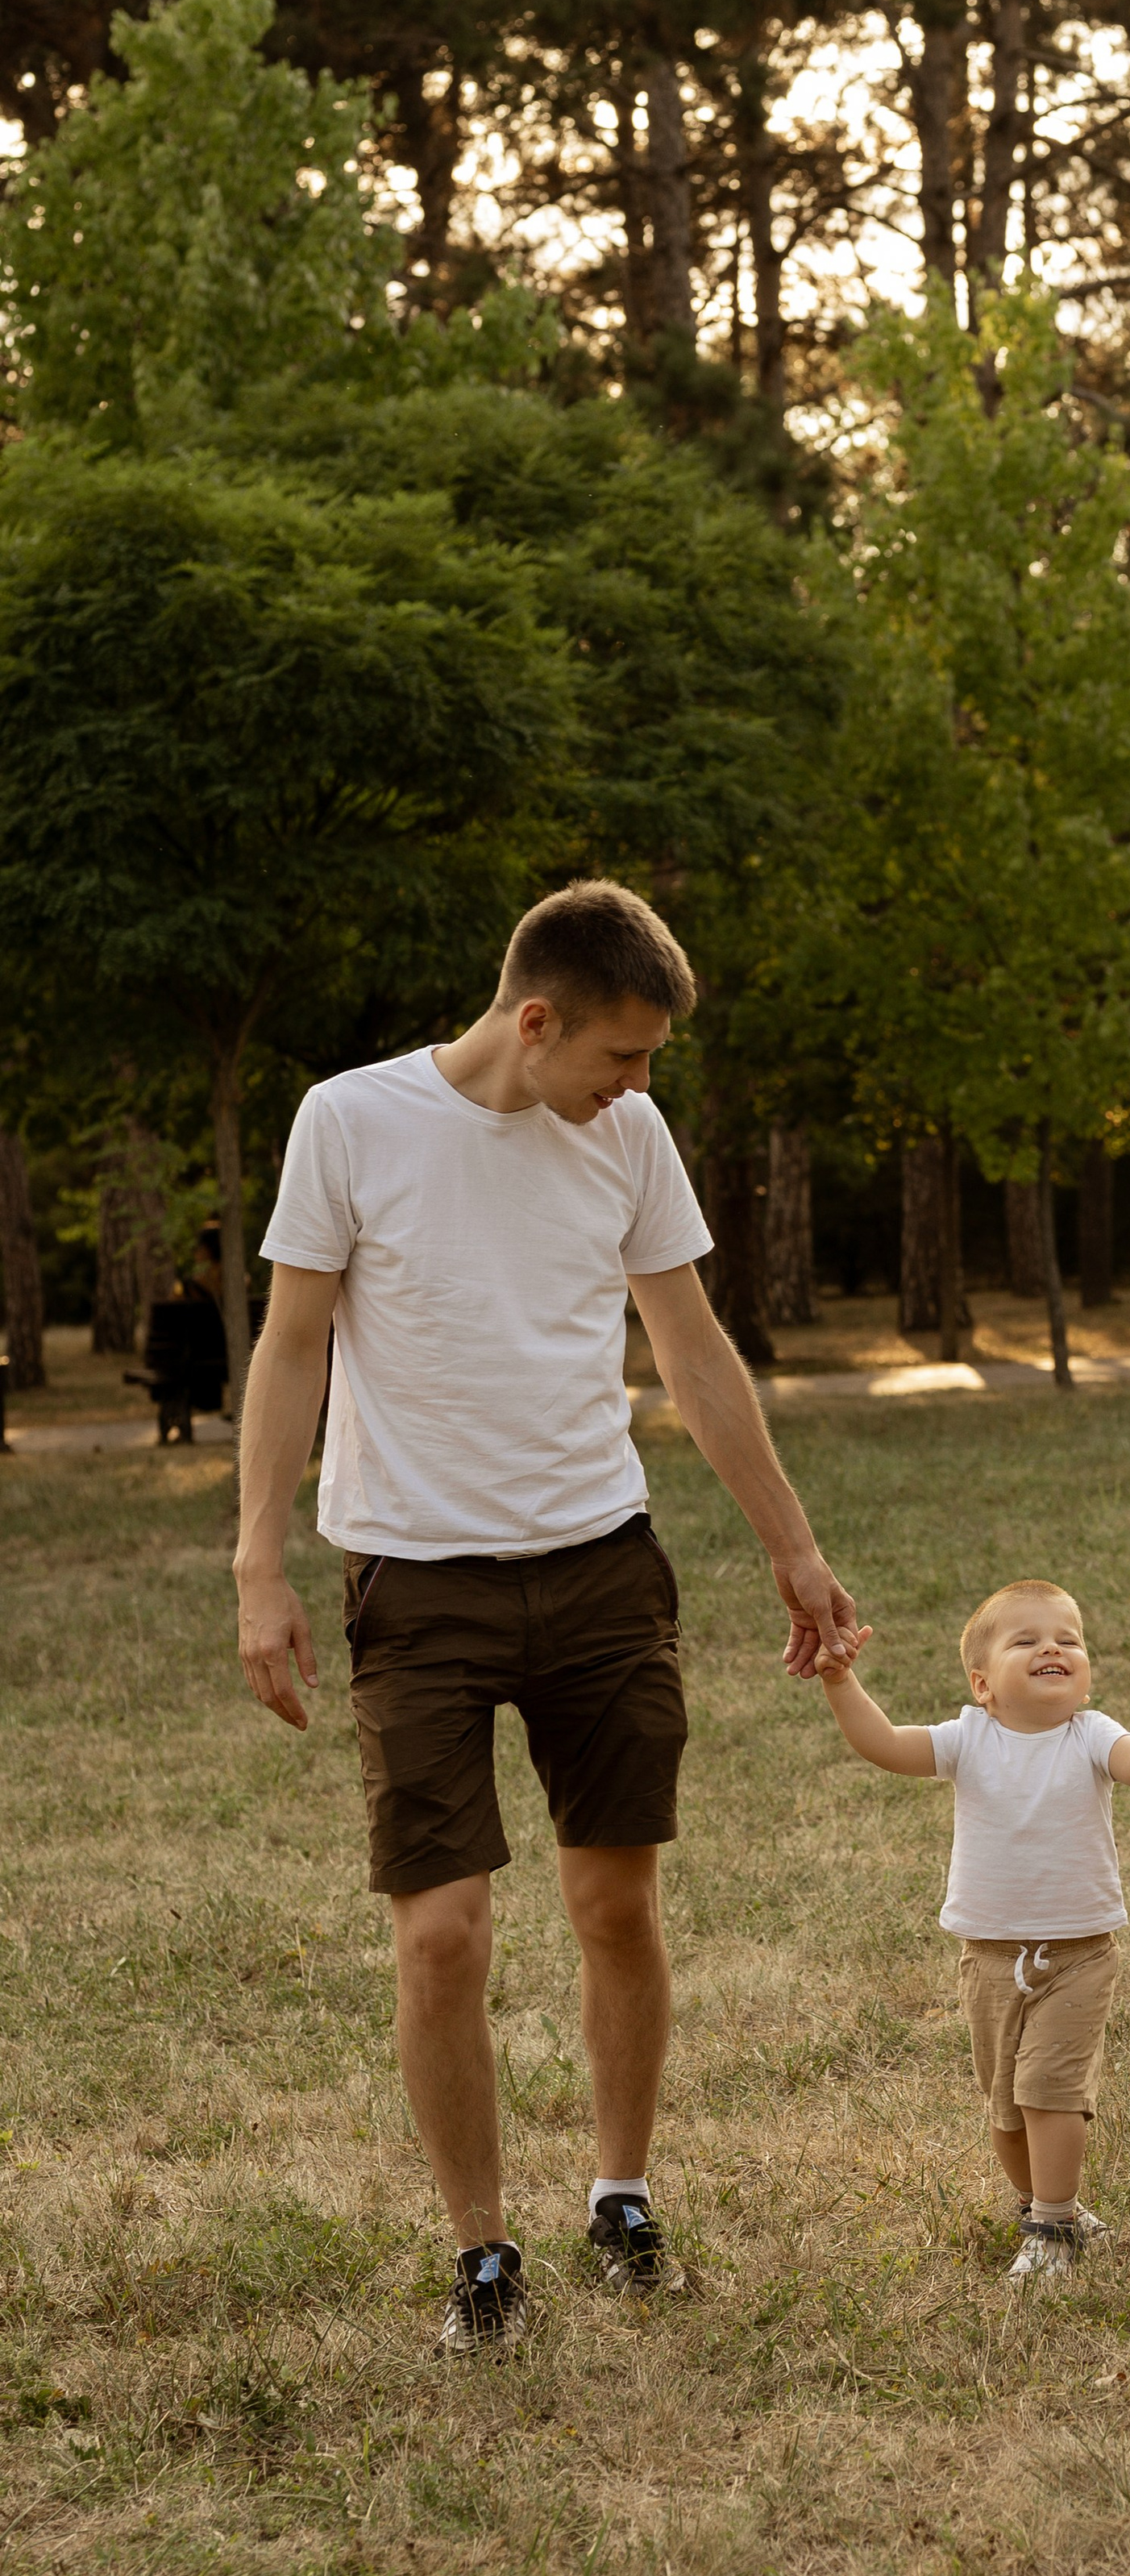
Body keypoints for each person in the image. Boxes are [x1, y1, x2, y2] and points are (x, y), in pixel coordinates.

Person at [234, 882, 859, 2357]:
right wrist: (258, 1563)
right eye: (620, 1056)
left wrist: (793, 1545)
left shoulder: (628, 1136)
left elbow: (691, 1347)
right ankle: (482, 2252)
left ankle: (621, 2196)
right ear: (535, 1020)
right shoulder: (350, 1120)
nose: (636, 1086)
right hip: (416, 1579)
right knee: (441, 1934)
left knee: (615, 1906)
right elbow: (292, 1343)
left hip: (601, 1568)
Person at [813, 1580, 1130, 2291]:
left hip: (1079, 1952)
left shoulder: (1092, 1734)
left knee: (1051, 2090)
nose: (1053, 1647)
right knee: (1008, 2106)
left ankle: (1053, 2226)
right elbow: (884, 1744)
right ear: (983, 1685)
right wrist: (840, 1682)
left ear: (1085, 1675)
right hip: (988, 1957)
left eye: (1068, 1639)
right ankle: (1041, 2203)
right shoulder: (969, 1738)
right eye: (1027, 1640)